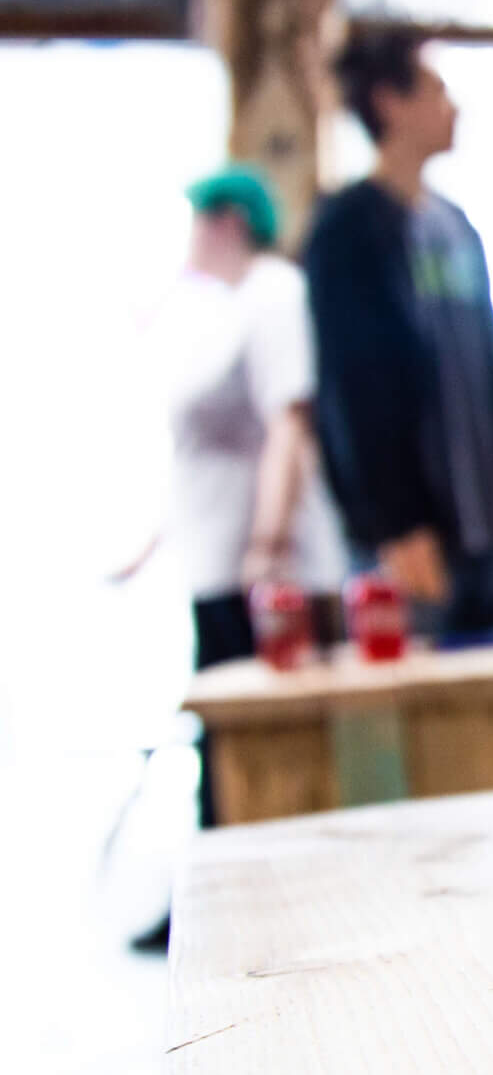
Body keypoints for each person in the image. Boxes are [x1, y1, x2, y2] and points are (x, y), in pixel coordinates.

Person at [305, 29, 493, 647]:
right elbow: (349, 390)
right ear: (389, 101)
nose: (453, 108)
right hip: (417, 544)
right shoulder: (347, 230)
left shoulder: (455, 226)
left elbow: (490, 359)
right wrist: (394, 523)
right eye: (436, 91)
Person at [122, 162, 348, 827]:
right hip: (218, 567)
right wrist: (146, 548)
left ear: (229, 223)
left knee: (264, 751)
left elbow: (291, 420)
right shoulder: (226, 306)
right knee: (225, 744)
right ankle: (212, 894)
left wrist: (266, 544)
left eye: (197, 221)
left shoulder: (274, 292)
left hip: (266, 574)